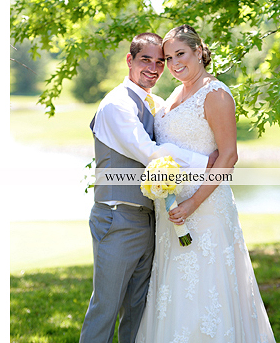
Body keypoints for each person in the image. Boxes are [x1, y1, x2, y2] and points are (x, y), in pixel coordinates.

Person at [136, 25, 275, 342]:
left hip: (205, 208)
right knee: (175, 290)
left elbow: (228, 156)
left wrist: (192, 203)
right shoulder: (174, 94)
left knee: (206, 290)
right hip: (171, 211)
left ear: (199, 51)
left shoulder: (216, 94)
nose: (174, 64)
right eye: (168, 58)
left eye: (180, 54)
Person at [80, 32, 216, 343]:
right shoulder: (117, 105)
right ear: (129, 60)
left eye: (160, 62)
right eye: (146, 60)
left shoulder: (154, 104)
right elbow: (150, 153)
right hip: (118, 218)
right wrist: (205, 162)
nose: (154, 69)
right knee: (105, 308)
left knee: (138, 311)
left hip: (148, 220)